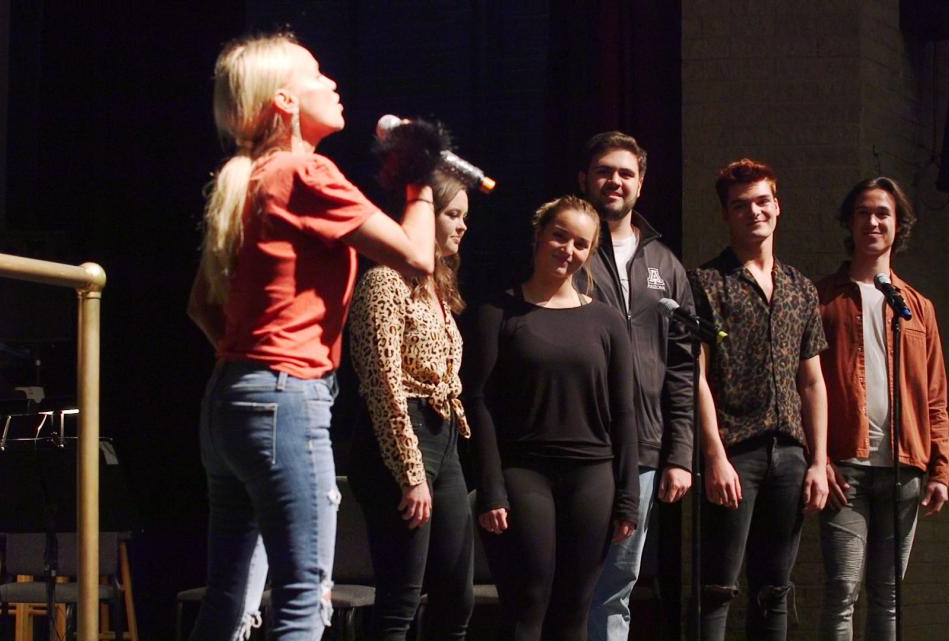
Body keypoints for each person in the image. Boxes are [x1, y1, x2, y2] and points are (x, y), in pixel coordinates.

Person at [186, 33, 437, 641]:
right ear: (285, 103)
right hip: (284, 397)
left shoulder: (244, 179)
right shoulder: (305, 170)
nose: (332, 83)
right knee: (303, 595)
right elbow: (417, 258)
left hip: (230, 400)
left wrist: (252, 361)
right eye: (317, 75)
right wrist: (421, 182)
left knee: (228, 598)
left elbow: (200, 306)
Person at [462, 195, 639, 641]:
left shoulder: (607, 321)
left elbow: (623, 411)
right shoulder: (497, 312)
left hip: (593, 474)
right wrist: (491, 484)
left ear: (590, 251)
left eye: (580, 243)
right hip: (524, 472)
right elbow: (477, 400)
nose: (567, 249)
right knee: (529, 601)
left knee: (575, 609)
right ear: (539, 235)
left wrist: (628, 496)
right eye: (559, 235)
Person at [689, 158, 830, 640]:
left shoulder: (800, 288)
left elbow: (812, 381)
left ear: (778, 206)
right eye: (741, 205)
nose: (754, 212)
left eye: (762, 201)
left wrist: (818, 460)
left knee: (775, 591)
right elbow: (697, 377)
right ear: (727, 215)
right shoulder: (705, 283)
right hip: (735, 452)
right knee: (718, 588)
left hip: (790, 454)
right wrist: (714, 456)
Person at [816, 177, 949, 641]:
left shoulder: (918, 308)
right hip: (845, 469)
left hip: (905, 469)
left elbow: (935, 396)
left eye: (883, 214)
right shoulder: (822, 298)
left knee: (889, 596)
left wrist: (940, 470)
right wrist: (820, 460)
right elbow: (802, 388)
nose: (873, 222)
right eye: (863, 213)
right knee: (842, 590)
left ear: (898, 225)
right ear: (849, 223)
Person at [576, 131, 695, 641]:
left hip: (645, 450)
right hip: (578, 442)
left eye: (626, 173)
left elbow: (683, 365)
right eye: (605, 170)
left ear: (641, 183)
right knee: (572, 579)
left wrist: (680, 454)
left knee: (618, 584)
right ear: (585, 180)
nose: (615, 181)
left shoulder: (665, 264)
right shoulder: (568, 249)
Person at [346, 171, 474, 641]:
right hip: (399, 441)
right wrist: (410, 471)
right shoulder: (384, 282)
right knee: (400, 600)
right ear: (422, 216)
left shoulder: (436, 288)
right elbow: (382, 385)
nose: (461, 226)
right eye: (452, 215)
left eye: (465, 216)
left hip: (442, 439)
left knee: (456, 597)